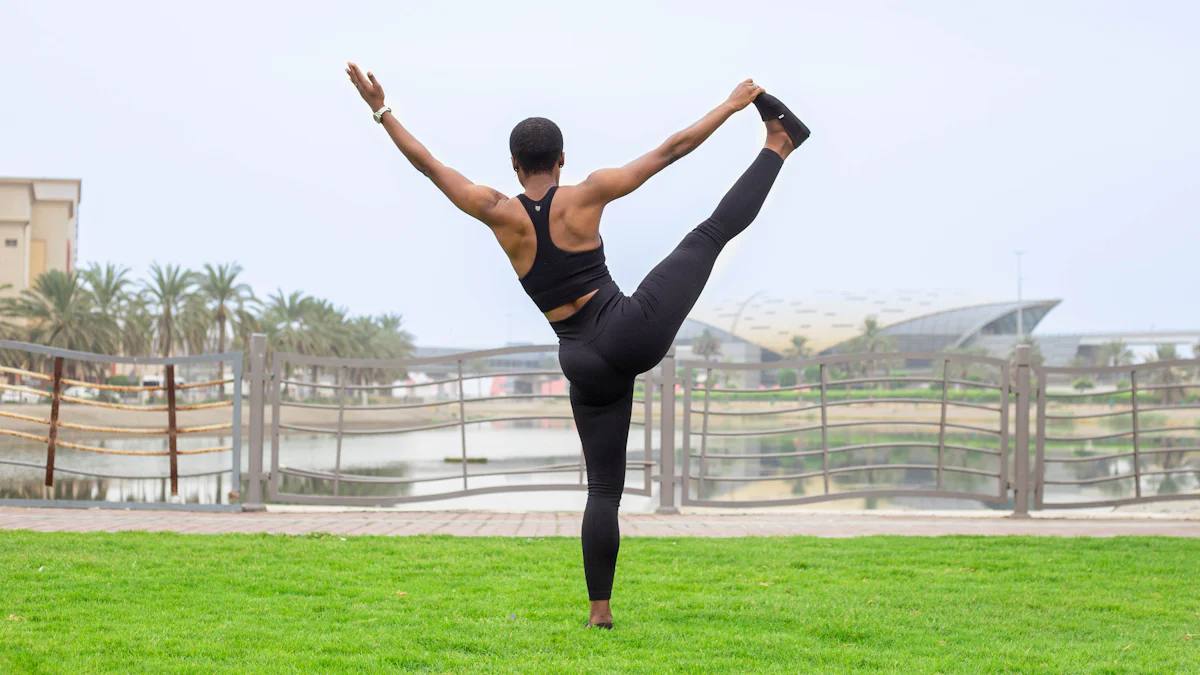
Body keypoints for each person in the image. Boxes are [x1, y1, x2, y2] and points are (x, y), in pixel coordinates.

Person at [345, 62, 809, 629]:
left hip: (582, 364)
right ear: (561, 159)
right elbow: (671, 150)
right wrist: (732, 104)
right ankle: (780, 143)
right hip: (626, 331)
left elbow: (428, 166)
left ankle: (600, 612)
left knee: (604, 491)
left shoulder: (496, 211)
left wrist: (381, 109)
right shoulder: (586, 195)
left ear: (514, 166)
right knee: (707, 236)